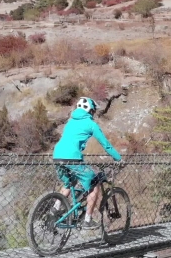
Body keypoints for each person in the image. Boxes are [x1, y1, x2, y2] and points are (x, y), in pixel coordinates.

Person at [52, 97, 122, 229]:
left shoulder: (70, 121)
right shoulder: (91, 124)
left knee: (69, 182)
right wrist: (118, 158)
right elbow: (106, 145)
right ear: (90, 111)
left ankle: (55, 208)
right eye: (93, 111)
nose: (94, 113)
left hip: (57, 156)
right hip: (72, 158)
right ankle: (87, 220)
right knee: (93, 185)